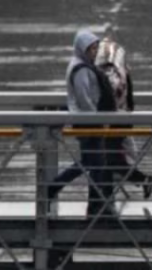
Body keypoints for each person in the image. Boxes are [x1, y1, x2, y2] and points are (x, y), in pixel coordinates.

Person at [49, 37, 152, 204]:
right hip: (111, 122)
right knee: (103, 161)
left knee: (102, 161)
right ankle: (102, 201)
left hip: (107, 123)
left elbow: (96, 98)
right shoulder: (119, 71)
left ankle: (98, 201)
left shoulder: (106, 72)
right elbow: (122, 99)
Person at [50, 30, 118, 217]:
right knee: (95, 163)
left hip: (87, 121)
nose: (95, 52)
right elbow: (84, 99)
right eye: (91, 48)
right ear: (82, 49)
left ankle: (95, 205)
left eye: (96, 48)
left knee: (94, 163)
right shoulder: (81, 70)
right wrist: (97, 120)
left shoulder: (80, 65)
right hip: (87, 123)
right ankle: (55, 188)